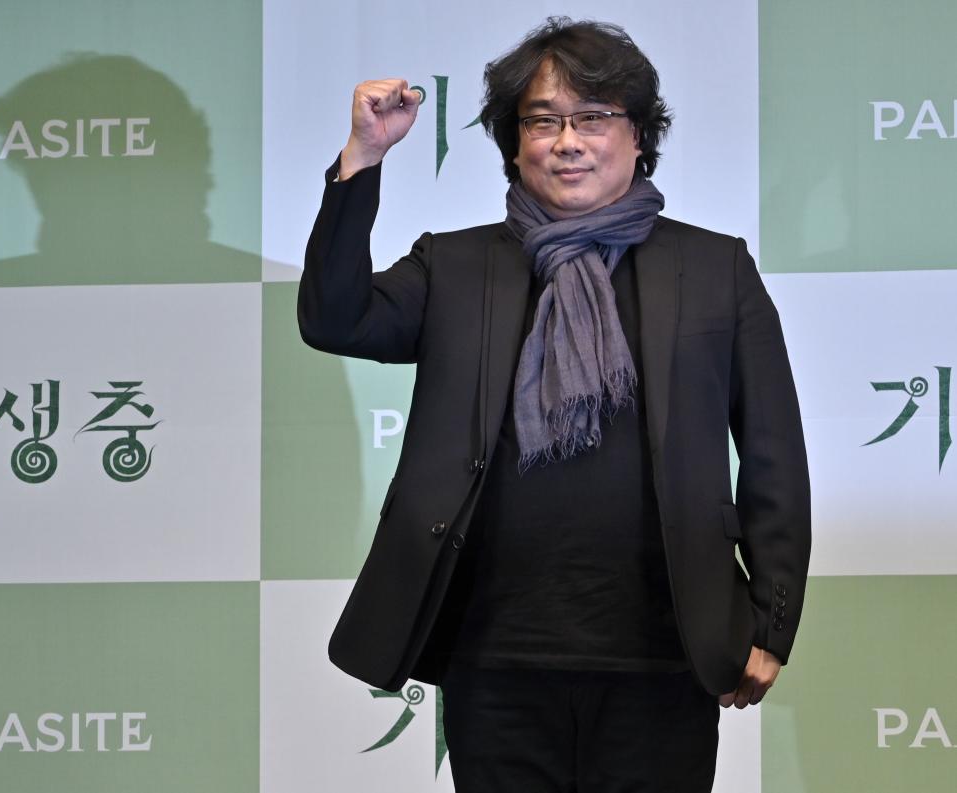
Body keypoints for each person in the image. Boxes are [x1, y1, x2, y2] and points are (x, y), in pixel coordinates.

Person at [298, 17, 811, 793]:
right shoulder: (456, 265)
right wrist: (362, 158)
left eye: (594, 117)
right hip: (493, 654)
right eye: (543, 120)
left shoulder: (713, 269)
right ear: (515, 145)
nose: (567, 140)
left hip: (666, 651)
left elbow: (774, 457)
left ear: (638, 136)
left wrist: (772, 626)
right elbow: (334, 318)